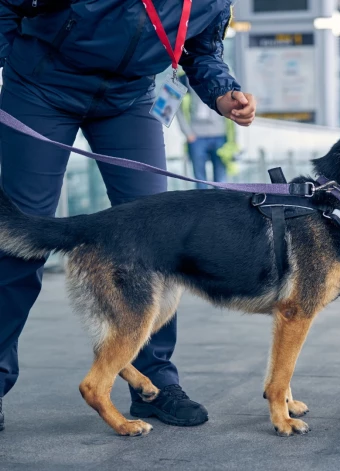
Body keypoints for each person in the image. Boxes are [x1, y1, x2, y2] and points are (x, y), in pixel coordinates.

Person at [0, 0, 256, 432]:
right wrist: (10, 54)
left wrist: (222, 90)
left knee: (160, 242)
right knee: (20, 242)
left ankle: (153, 385)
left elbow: (202, 50)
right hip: (42, 87)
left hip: (128, 98)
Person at [176, 71, 238, 189]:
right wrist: (187, 133)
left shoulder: (223, 74)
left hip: (220, 134)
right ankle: (203, 207)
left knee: (221, 182)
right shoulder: (184, 78)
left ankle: (220, 207)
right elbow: (177, 108)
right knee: (200, 181)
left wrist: (233, 138)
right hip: (196, 136)